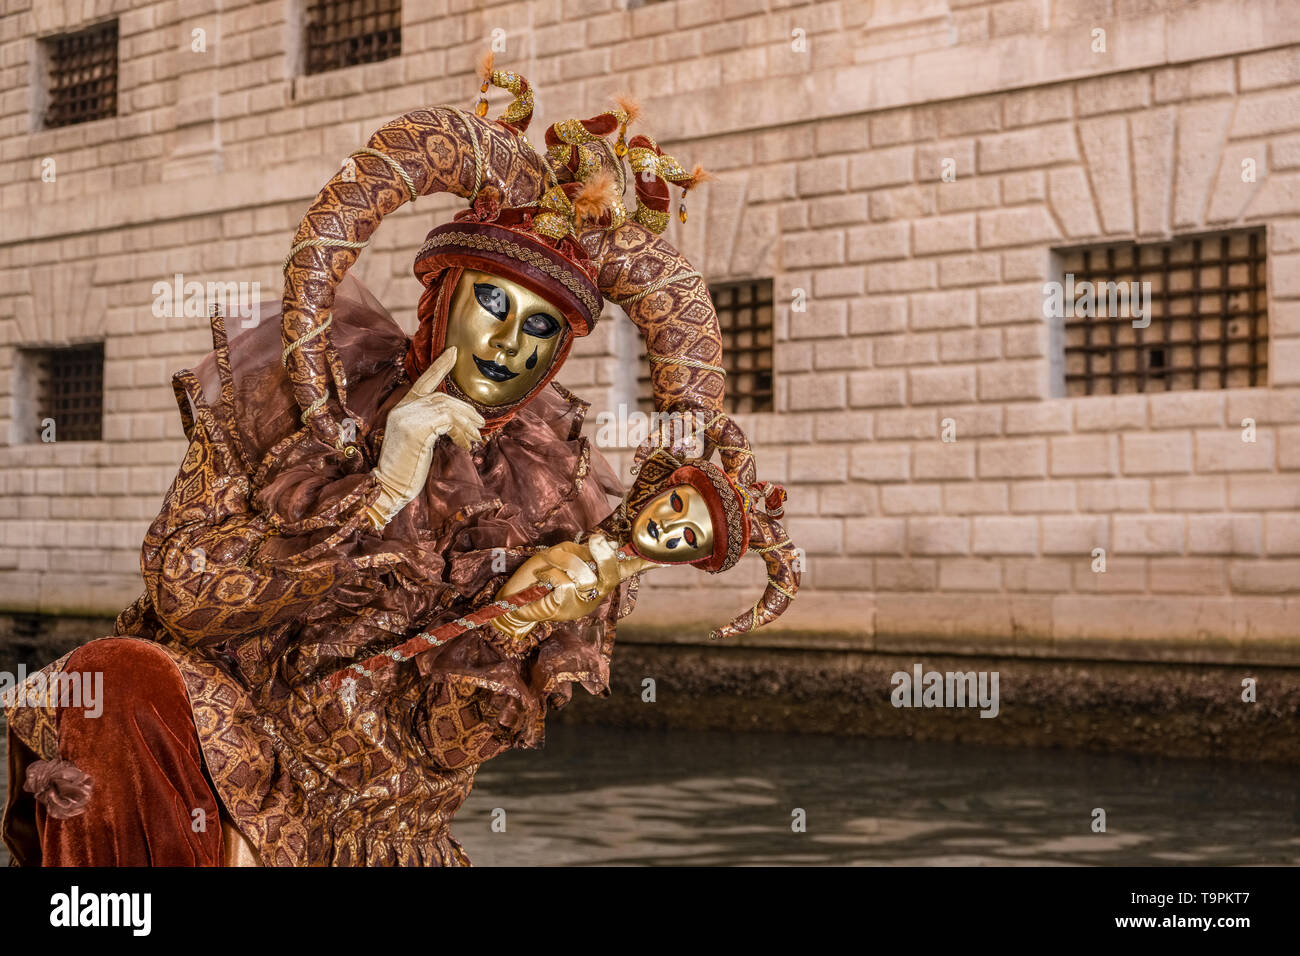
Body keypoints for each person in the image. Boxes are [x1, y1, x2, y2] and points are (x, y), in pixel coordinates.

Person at [1, 60, 792, 866]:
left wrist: (515, 625)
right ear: (440, 295)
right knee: (112, 680)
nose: (509, 343)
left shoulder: (554, 500)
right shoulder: (291, 396)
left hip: (372, 838)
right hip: (214, 768)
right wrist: (379, 491)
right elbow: (183, 587)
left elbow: (445, 745)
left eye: (542, 330)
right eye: (491, 303)